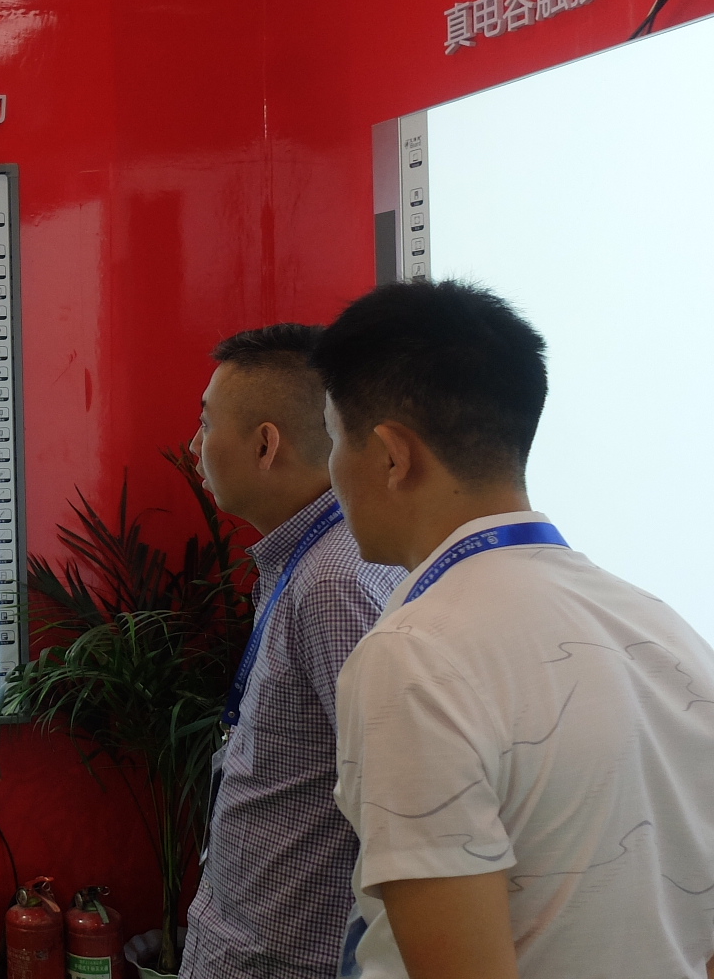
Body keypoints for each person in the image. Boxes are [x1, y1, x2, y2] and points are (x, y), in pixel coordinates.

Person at [315, 280, 714, 979]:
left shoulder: (415, 657)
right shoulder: (666, 630)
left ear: (391, 454)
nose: (332, 472)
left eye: (332, 439)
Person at [180, 324, 404, 979]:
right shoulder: (303, 564)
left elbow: (392, 809)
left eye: (205, 424)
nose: (194, 446)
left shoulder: (332, 582)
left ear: (265, 444)